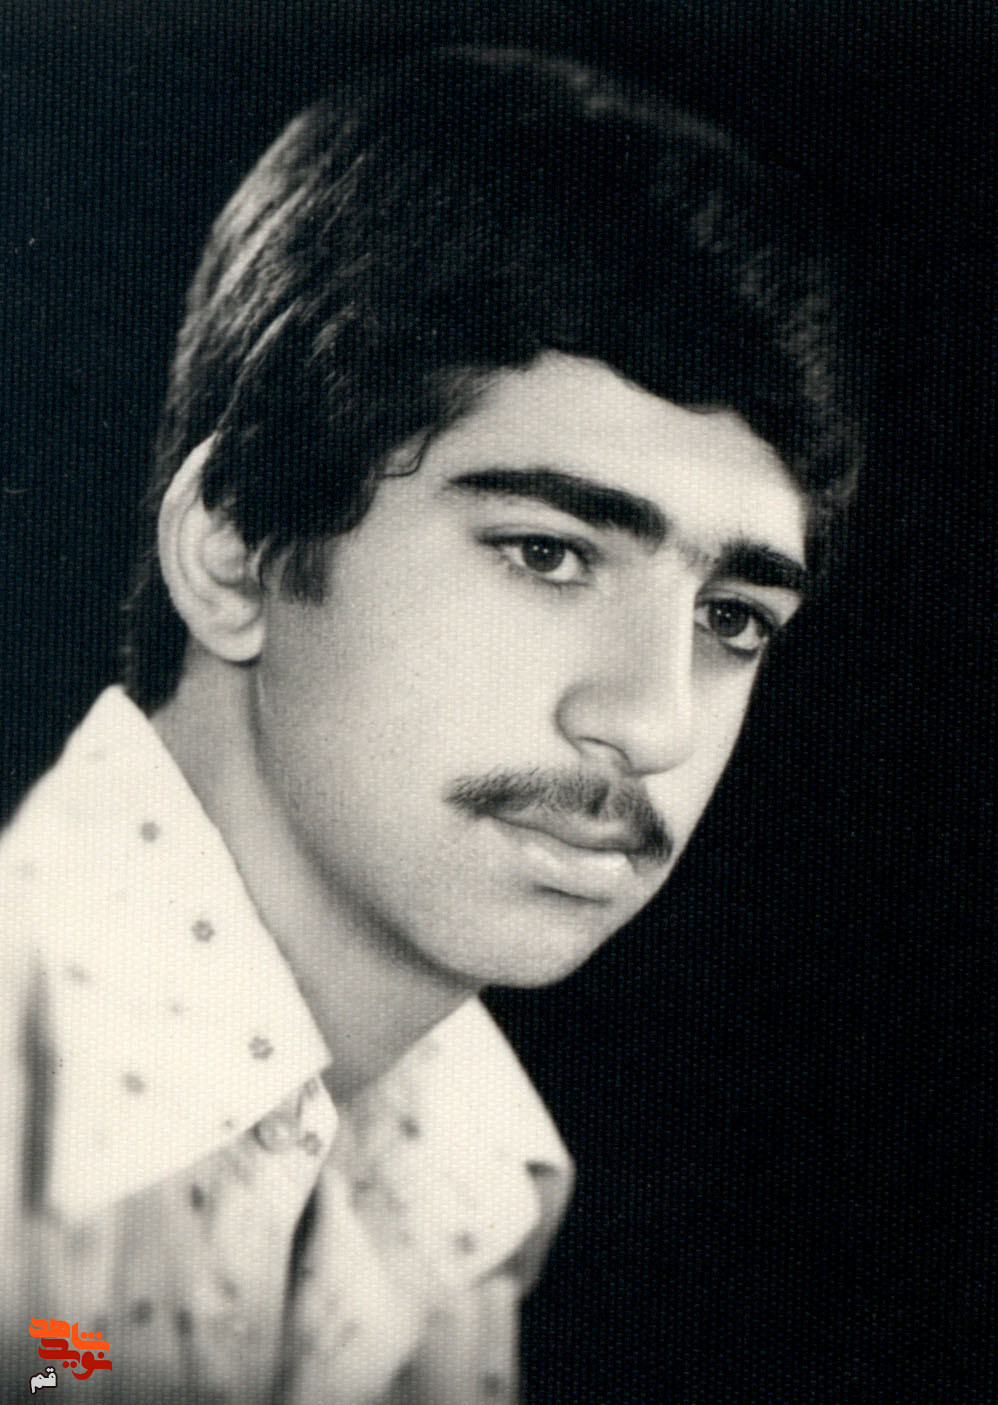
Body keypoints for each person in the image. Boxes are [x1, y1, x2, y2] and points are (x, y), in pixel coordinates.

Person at [0, 47, 861, 1403]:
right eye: (546, 552)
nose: (651, 721)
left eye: (732, 617)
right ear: (232, 547)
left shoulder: (463, 1177)